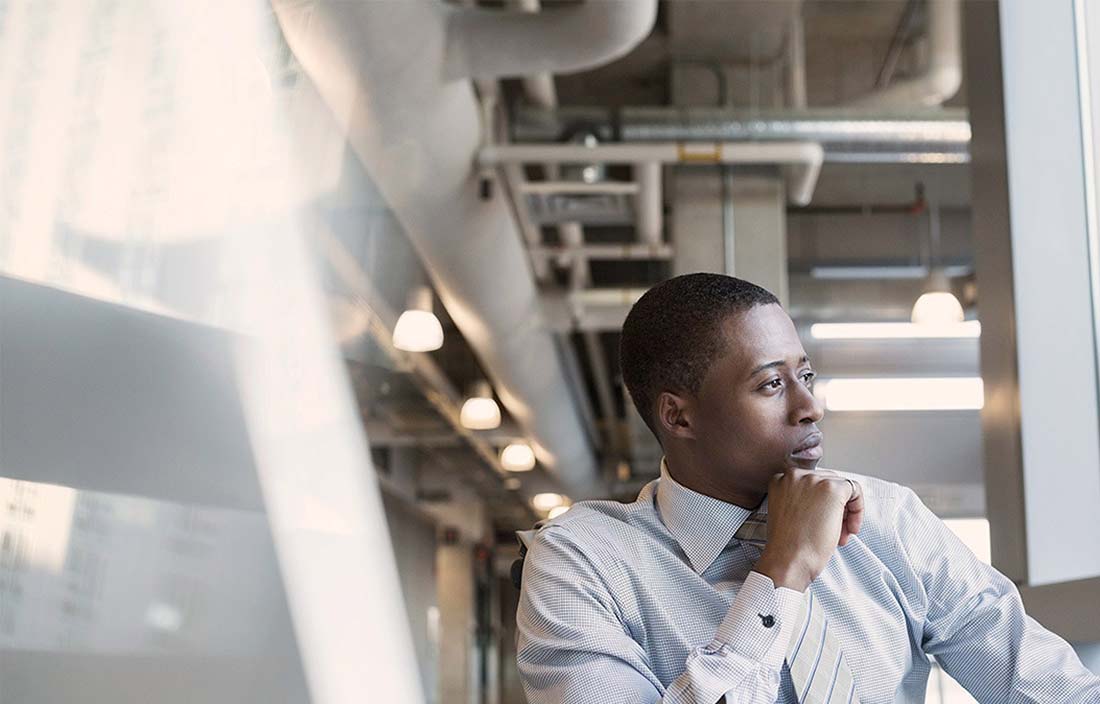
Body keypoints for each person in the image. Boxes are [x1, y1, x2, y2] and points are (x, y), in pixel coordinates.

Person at [515, 273, 1100, 704]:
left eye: (807, 375)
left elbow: (1045, 683)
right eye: (772, 384)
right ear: (679, 417)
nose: (810, 407)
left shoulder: (885, 517)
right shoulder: (582, 560)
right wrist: (782, 573)